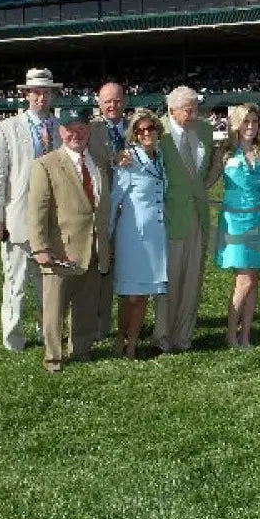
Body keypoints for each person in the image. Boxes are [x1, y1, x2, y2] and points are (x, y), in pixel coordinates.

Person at [26, 108, 111, 372]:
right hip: (61, 248)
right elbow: (37, 209)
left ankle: (82, 348)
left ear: (89, 130)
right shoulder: (46, 164)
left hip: (94, 247)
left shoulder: (98, 162)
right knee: (54, 308)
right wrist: (40, 247)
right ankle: (53, 357)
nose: (76, 133)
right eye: (69, 128)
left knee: (86, 303)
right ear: (60, 131)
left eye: (81, 127)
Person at [0, 67, 61, 352]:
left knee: (48, 283)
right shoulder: (7, 128)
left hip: (51, 219)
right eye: (37, 92)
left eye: (47, 92)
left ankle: (46, 332)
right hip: (17, 218)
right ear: (26, 95)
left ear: (52, 95)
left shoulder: (59, 128)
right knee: (15, 283)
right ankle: (13, 338)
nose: (42, 97)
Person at [155, 85, 215, 354]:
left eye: (195, 108)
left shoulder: (205, 131)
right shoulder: (157, 132)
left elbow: (204, 176)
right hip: (170, 218)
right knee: (170, 280)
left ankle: (184, 335)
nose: (193, 113)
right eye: (186, 109)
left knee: (193, 280)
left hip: (198, 218)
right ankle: (163, 336)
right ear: (172, 109)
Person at [215, 103, 260, 349]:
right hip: (235, 219)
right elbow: (208, 179)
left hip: (259, 217)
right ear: (237, 125)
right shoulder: (225, 152)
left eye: (255, 122)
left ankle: (245, 336)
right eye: (246, 122)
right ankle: (231, 335)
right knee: (245, 280)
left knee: (254, 278)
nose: (251, 127)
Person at [108, 109, 167, 360]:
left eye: (150, 129)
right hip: (132, 236)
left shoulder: (160, 157)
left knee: (143, 295)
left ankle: (131, 345)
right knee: (129, 294)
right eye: (140, 130)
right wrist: (108, 236)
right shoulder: (128, 159)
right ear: (134, 134)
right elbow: (114, 201)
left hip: (156, 235)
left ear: (157, 131)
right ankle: (119, 339)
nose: (146, 134)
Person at [89, 80, 127, 343]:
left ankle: (128, 322)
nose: (112, 105)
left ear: (124, 101)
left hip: (134, 213)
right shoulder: (90, 131)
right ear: (99, 103)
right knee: (102, 268)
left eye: (116, 100)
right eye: (107, 101)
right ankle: (100, 326)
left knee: (129, 267)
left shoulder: (139, 128)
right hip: (102, 211)